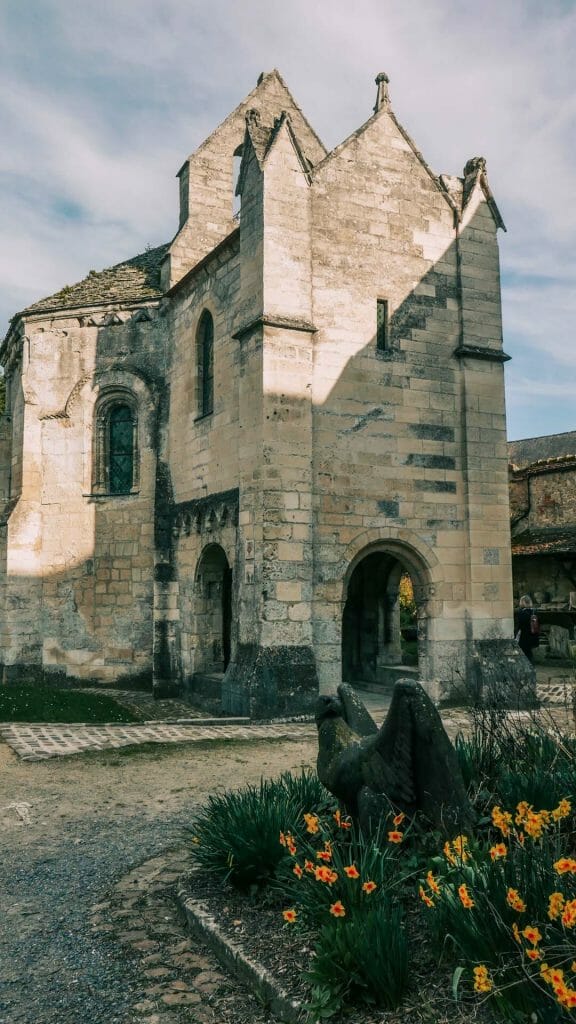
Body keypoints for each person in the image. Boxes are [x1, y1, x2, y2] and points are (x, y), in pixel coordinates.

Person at [515, 594, 538, 662]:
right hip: (533, 634)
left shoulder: (521, 613)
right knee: (529, 652)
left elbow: (519, 625)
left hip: (524, 636)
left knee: (524, 653)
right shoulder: (534, 611)